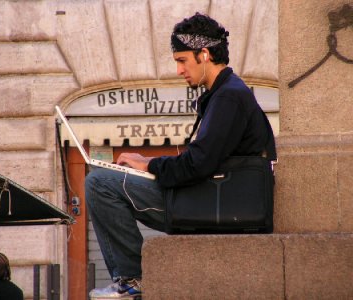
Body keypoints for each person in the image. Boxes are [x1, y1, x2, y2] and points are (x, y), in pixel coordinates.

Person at [85, 12, 273, 299]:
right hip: (210, 200)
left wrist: (148, 163)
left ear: (204, 55)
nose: (178, 70)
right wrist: (148, 167)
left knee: (99, 183)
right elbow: (203, 160)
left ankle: (132, 279)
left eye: (182, 60)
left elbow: (197, 164)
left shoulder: (228, 97)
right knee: (107, 179)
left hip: (211, 205)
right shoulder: (225, 93)